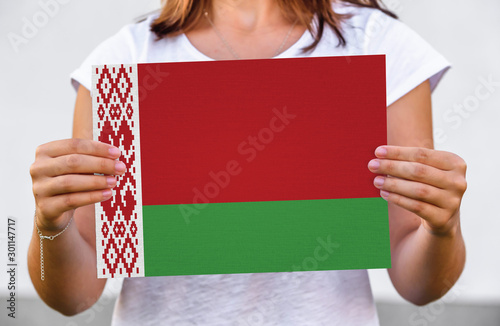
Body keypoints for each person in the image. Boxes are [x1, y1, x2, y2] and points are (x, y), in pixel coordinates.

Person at [28, 0, 467, 325]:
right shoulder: (125, 60)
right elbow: (75, 298)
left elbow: (419, 286)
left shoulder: (381, 46)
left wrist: (441, 226)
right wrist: (50, 224)